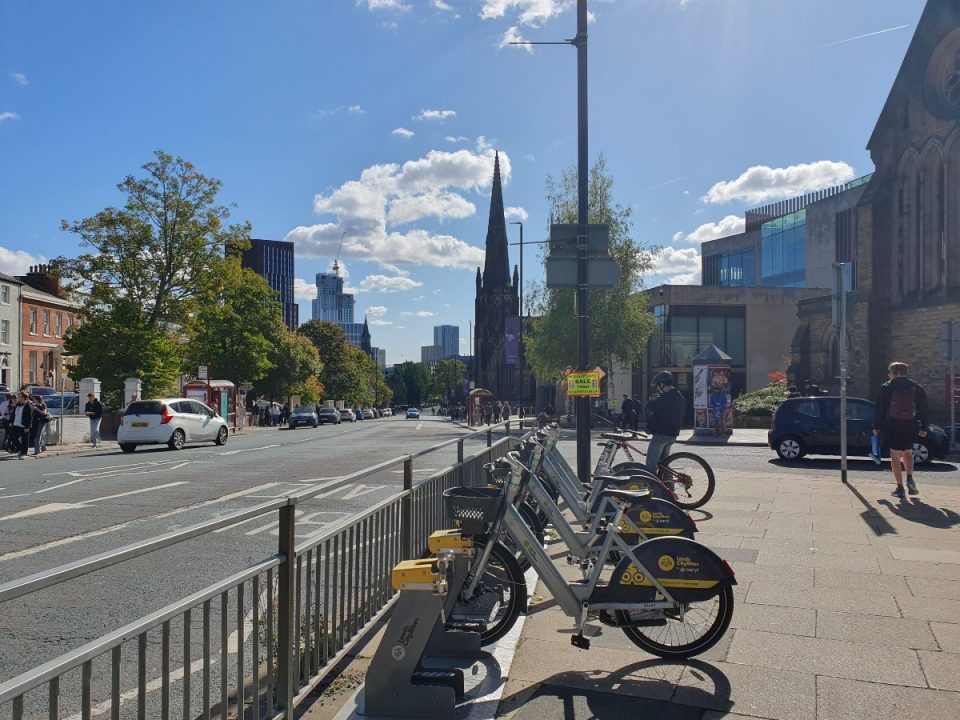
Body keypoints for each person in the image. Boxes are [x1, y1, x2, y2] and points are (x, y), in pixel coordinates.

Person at [873, 361, 929, 499]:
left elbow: (880, 409)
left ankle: (900, 488)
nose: (888, 375)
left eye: (889, 372)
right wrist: (924, 426)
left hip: (893, 424)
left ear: (895, 373)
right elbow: (924, 408)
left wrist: (876, 426)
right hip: (910, 425)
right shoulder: (916, 387)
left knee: (895, 456)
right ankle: (909, 477)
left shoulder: (887, 387)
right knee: (908, 452)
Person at [644, 371, 686, 473]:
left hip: (661, 435)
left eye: (658, 387)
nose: (657, 390)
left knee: (651, 464)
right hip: (672, 435)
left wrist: (651, 402)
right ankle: (668, 486)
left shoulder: (666, 397)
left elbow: (652, 407)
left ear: (662, 384)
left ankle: (653, 486)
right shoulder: (679, 396)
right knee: (664, 465)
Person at [13, 391, 34, 458]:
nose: (18, 398)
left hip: (24, 425)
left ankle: (24, 453)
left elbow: (30, 417)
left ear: (24, 398)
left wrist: (27, 427)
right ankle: (20, 449)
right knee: (13, 437)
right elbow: (14, 414)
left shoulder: (28, 406)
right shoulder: (17, 405)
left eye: (20, 397)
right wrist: (11, 422)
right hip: (16, 424)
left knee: (25, 440)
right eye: (18, 397)